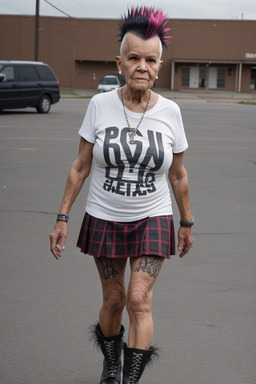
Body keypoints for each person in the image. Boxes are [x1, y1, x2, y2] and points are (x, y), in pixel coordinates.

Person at [49, 6, 194, 384]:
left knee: (138, 300)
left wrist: (187, 222)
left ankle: (130, 379)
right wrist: (62, 217)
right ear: (120, 62)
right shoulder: (99, 106)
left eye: (150, 59)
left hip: (154, 217)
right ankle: (111, 365)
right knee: (114, 301)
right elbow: (80, 167)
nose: (141, 66)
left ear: (160, 65)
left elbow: (178, 175)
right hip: (104, 216)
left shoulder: (171, 113)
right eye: (134, 58)